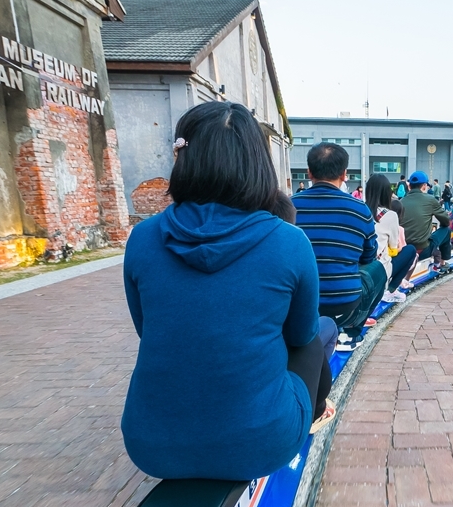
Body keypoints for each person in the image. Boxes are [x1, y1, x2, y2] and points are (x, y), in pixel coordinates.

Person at [121, 101, 335, 482]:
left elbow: (146, 329)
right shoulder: (290, 242)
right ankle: (314, 412)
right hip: (263, 442)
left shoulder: (142, 238)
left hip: (149, 444)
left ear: (183, 159)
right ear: (258, 164)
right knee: (315, 336)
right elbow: (301, 337)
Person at [294, 143, 387, 351]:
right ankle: (352, 332)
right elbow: (368, 258)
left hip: (300, 306)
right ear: (344, 174)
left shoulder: (289, 206)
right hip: (345, 307)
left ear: (309, 172)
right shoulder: (359, 209)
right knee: (378, 269)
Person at [364, 174, 418, 303]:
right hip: (379, 269)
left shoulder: (360, 210)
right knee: (410, 250)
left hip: (361, 266)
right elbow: (393, 248)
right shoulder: (391, 215)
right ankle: (390, 290)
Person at [399, 171, 453, 273]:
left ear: (409, 186)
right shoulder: (430, 200)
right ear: (424, 186)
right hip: (423, 250)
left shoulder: (401, 201)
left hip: (403, 250)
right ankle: (442, 263)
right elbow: (446, 221)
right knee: (446, 230)